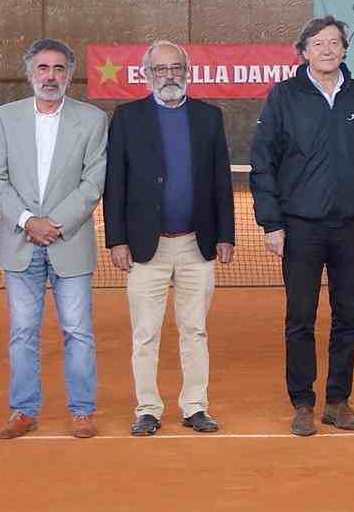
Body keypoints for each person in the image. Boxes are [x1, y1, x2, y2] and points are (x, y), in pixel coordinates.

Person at [250, 16, 354, 437]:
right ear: (304, 51)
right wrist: (272, 223)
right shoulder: (284, 97)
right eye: (318, 43)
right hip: (300, 227)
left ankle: (338, 401)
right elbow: (263, 163)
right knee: (300, 318)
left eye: (334, 43)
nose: (327, 50)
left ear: (344, 50)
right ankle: (303, 403)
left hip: (350, 225)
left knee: (348, 317)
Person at [104, 40, 235, 436]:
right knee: (145, 333)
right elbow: (115, 183)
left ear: (187, 71)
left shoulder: (209, 117)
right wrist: (117, 240)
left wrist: (226, 234)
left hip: (198, 244)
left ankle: (195, 406)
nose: (169, 76)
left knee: (194, 329)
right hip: (146, 246)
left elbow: (220, 181)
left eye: (176, 68)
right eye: (160, 70)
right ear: (147, 75)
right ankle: (147, 409)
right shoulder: (126, 118)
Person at [0, 39, 107, 439]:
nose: (50, 76)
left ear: (70, 74)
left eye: (58, 68)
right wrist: (27, 221)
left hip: (68, 241)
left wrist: (53, 223)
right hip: (21, 245)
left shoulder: (92, 119)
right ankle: (23, 411)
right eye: (42, 68)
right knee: (22, 331)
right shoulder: (5, 117)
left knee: (78, 331)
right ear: (30, 73)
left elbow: (93, 181)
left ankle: (82, 411)